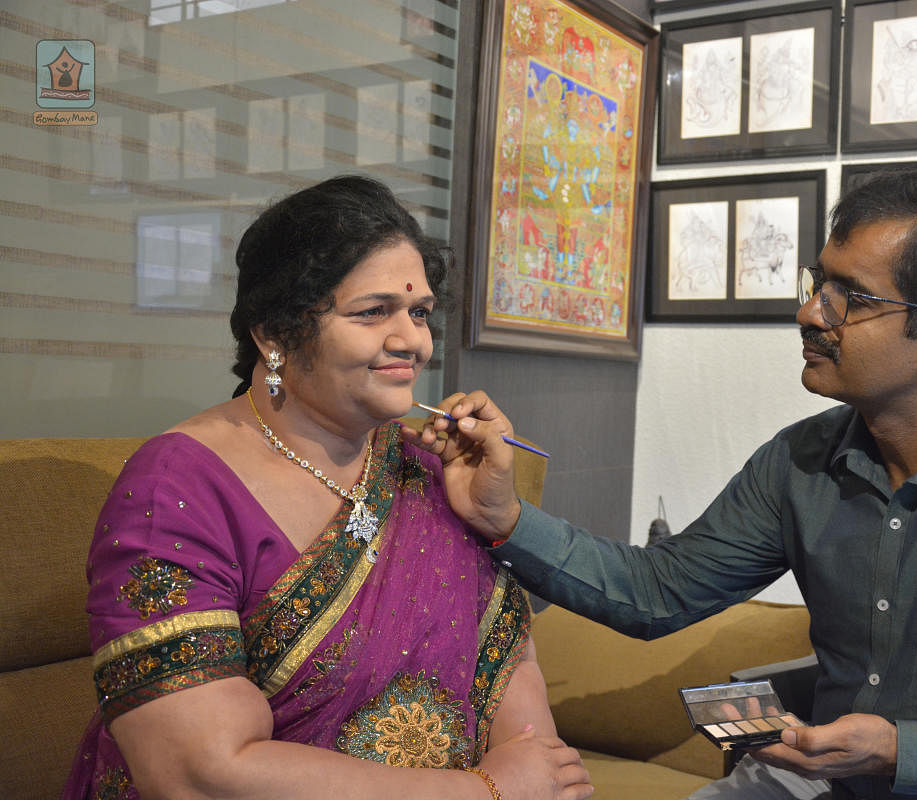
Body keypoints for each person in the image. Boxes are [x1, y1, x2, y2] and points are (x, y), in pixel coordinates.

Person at [412, 169, 917, 799]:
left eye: (848, 298)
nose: (807, 312)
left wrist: (907, 753)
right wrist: (505, 515)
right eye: (816, 281)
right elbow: (658, 592)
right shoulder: (798, 463)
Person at [62, 175, 593, 800]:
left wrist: (533, 775)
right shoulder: (175, 491)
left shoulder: (427, 471)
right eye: (372, 312)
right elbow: (199, 772)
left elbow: (505, 659)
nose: (412, 341)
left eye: (419, 312)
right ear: (275, 333)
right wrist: (487, 790)